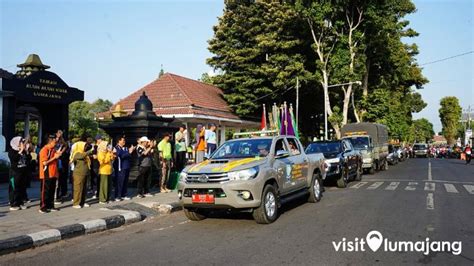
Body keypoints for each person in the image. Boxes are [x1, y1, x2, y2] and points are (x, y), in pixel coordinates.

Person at [39, 135, 63, 213]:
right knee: (45, 191)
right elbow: (44, 163)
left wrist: (58, 155)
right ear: (50, 141)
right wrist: (55, 157)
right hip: (46, 173)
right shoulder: (44, 149)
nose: (55, 142)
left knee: (52, 191)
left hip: (53, 173)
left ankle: (50, 205)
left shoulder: (53, 149)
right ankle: (43, 207)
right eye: (54, 141)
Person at [8, 137, 29, 211]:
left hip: (22, 172)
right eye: (21, 142)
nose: (22, 144)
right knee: (14, 188)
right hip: (14, 172)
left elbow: (28, 159)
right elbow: (14, 159)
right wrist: (20, 151)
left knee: (21, 188)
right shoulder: (12, 151)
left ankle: (20, 202)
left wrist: (26, 151)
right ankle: (13, 203)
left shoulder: (23, 151)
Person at [71, 141, 93, 208]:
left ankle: (82, 202)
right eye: (84, 146)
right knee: (78, 189)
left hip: (85, 173)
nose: (86, 147)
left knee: (84, 189)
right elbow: (81, 156)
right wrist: (90, 151)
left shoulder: (84, 153)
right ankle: (76, 203)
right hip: (78, 174)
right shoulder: (76, 153)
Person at [114, 136, 134, 201]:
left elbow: (128, 156)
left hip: (126, 166)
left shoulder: (125, 148)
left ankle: (123, 194)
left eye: (124, 140)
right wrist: (129, 152)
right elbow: (121, 155)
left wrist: (128, 152)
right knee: (120, 182)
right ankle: (117, 196)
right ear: (119, 141)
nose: (124, 141)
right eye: (123, 140)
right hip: (120, 167)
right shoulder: (116, 148)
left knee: (125, 181)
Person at [89, 135, 102, 199]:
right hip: (95, 165)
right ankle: (95, 192)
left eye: (101, 139)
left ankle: (98, 192)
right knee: (95, 179)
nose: (101, 140)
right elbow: (93, 155)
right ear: (97, 140)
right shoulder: (95, 146)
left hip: (101, 165)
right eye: (99, 139)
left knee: (99, 179)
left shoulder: (102, 146)